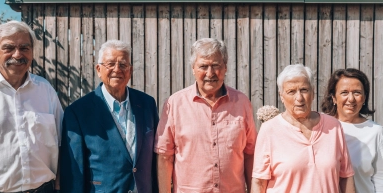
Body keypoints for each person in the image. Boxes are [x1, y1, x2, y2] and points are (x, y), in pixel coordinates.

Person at [155, 38, 257, 193]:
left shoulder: (241, 102)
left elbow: (250, 154)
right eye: (203, 66)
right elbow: (164, 157)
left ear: (225, 67)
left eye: (216, 66)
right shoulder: (175, 104)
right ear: (193, 68)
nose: (210, 73)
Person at [60, 40, 158, 193]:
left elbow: (155, 156)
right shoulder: (78, 111)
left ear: (130, 71)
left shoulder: (147, 104)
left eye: (123, 65)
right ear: (99, 70)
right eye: (110, 64)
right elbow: (74, 170)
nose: (117, 69)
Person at [0, 21, 63, 192]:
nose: (17, 54)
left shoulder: (45, 90)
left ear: (32, 52)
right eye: (9, 48)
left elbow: (63, 138)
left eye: (24, 48)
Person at [251, 64, 355, 193]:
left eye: (304, 90)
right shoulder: (269, 130)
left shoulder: (334, 126)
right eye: (291, 91)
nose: (299, 98)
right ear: (281, 96)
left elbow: (346, 177)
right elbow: (259, 182)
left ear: (313, 92)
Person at [321, 68, 383, 192]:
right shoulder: (321, 128)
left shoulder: (376, 132)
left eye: (357, 93)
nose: (351, 99)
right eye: (344, 92)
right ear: (333, 97)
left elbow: (380, 178)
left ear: (364, 98)